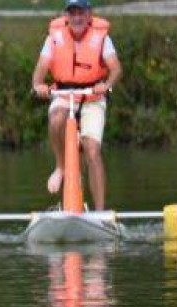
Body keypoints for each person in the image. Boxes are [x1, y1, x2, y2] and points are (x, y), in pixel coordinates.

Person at [30, 0, 123, 212]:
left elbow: (116, 68)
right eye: (72, 13)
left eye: (81, 12)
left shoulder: (102, 38)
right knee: (56, 117)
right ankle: (60, 167)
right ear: (66, 16)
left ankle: (100, 213)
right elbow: (41, 68)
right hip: (64, 93)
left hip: (92, 96)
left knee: (92, 150)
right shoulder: (54, 37)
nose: (77, 18)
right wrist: (38, 85)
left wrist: (106, 85)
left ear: (89, 15)